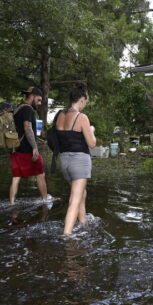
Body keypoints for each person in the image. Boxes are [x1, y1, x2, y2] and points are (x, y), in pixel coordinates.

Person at [55, 84, 96, 234]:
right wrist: (91, 130)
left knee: (81, 194)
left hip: (64, 161)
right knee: (75, 199)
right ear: (82, 99)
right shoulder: (82, 117)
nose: (85, 104)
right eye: (86, 101)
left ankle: (83, 222)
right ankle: (67, 235)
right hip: (79, 160)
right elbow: (92, 143)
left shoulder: (60, 115)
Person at [9, 87, 51, 204]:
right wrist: (34, 147)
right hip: (26, 150)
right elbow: (27, 128)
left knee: (16, 178)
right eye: (38, 100)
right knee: (40, 174)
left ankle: (11, 203)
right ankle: (45, 199)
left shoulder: (18, 108)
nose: (39, 103)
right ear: (32, 96)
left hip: (15, 148)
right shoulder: (28, 109)